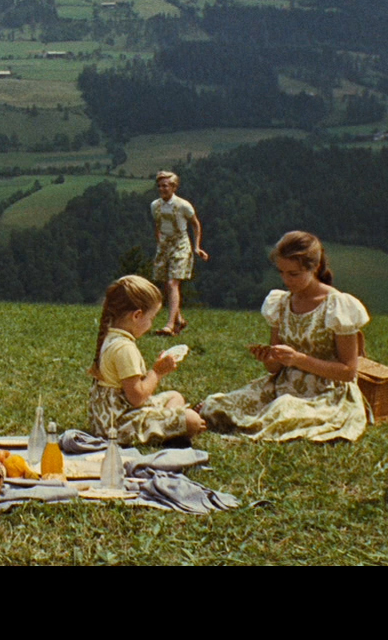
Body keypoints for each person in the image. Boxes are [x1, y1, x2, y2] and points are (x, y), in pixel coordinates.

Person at [197, 231, 370, 443]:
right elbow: (275, 368)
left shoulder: (338, 306)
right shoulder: (280, 303)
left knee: (281, 411)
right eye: (281, 272)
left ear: (314, 268)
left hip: (326, 394)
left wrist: (298, 359)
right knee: (217, 405)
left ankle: (243, 429)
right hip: (283, 385)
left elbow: (348, 372)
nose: (286, 280)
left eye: (294, 274)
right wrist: (269, 359)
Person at [87, 275, 206, 447]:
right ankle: (173, 429)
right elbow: (137, 398)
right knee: (192, 420)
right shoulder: (124, 348)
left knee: (175, 397)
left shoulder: (111, 337)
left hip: (111, 418)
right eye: (151, 318)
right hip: (118, 426)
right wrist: (157, 372)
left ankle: (168, 426)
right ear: (137, 315)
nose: (151, 324)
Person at [149, 171, 208, 337]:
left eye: (165, 186)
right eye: (159, 186)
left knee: (172, 282)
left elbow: (195, 224)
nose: (162, 189)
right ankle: (179, 319)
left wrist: (196, 247)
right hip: (164, 244)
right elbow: (158, 225)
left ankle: (169, 325)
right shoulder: (155, 205)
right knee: (165, 282)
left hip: (180, 244)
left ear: (174, 187)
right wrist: (159, 241)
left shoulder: (183, 205)